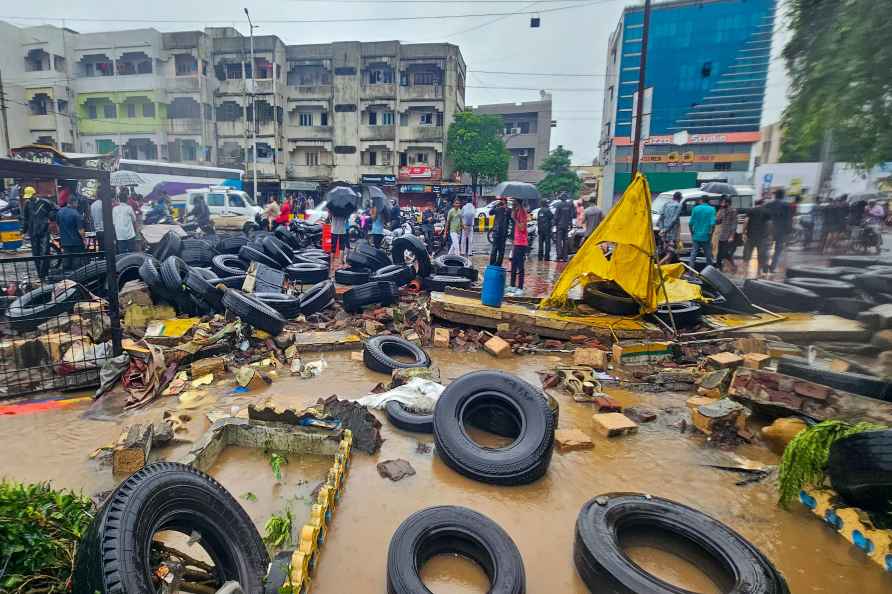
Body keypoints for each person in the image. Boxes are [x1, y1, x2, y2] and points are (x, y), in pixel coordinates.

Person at [22, 187, 57, 279]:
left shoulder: (45, 202)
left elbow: (55, 209)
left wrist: (50, 218)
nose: (29, 198)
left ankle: (44, 274)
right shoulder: (27, 204)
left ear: (35, 194)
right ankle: (40, 275)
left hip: (44, 231)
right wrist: (23, 231)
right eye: (28, 197)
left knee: (45, 252)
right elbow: (25, 219)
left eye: (31, 196)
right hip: (33, 233)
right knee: (36, 254)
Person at [764, 188, 792, 272]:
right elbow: (788, 219)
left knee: (767, 248)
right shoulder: (786, 205)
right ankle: (773, 267)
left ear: (775, 195)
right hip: (781, 230)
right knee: (778, 250)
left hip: (769, 229)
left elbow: (765, 218)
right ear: (783, 196)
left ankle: (765, 266)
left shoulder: (768, 205)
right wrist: (788, 231)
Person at [743, 199, 772, 276]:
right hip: (762, 237)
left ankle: (745, 273)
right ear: (762, 204)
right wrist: (768, 234)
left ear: (755, 204)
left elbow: (746, 221)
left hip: (750, 236)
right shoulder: (766, 211)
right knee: (761, 256)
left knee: (747, 256)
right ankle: (758, 273)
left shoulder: (750, 210)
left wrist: (744, 232)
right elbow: (769, 224)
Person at [57, 196, 85, 270]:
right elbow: (80, 230)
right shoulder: (76, 214)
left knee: (66, 262)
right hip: (76, 243)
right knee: (76, 264)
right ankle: (75, 279)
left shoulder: (59, 212)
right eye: (77, 203)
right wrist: (84, 239)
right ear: (74, 202)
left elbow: (58, 226)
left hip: (64, 242)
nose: (77, 205)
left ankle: (66, 279)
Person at [688, 196, 716, 268]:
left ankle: (690, 271)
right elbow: (712, 224)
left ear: (701, 200)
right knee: (708, 255)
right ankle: (709, 272)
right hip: (706, 236)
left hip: (696, 235)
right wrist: (711, 234)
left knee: (693, 254)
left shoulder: (695, 209)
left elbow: (690, 223)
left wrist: (692, 233)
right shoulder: (712, 209)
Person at [509, 200, 529, 295]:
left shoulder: (523, 212)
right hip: (516, 242)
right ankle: (512, 285)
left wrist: (515, 219)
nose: (512, 204)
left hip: (521, 243)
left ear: (518, 202)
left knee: (520, 266)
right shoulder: (517, 211)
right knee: (513, 264)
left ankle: (520, 287)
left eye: (514, 202)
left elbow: (522, 228)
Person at [657, 191, 683, 262]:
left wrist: (662, 229)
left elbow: (661, 216)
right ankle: (658, 265)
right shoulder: (678, 205)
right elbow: (674, 219)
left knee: (667, 250)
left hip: (664, 231)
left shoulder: (666, 204)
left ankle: (665, 268)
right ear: (680, 198)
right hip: (672, 231)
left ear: (673, 197)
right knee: (671, 253)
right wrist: (666, 229)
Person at [715, 196, 738, 272]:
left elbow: (734, 224)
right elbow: (717, 221)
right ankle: (719, 267)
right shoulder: (722, 210)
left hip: (728, 235)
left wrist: (732, 236)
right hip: (722, 234)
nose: (722, 203)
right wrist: (719, 212)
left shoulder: (733, 211)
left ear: (727, 203)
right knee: (720, 252)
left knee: (724, 252)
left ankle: (732, 266)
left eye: (723, 202)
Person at [489, 196, 509, 266]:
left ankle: (498, 264)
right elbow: (490, 212)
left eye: (503, 201)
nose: (502, 202)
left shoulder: (508, 210)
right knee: (494, 249)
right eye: (501, 201)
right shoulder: (497, 209)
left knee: (501, 251)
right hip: (497, 232)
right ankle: (492, 264)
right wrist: (495, 206)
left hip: (503, 233)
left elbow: (512, 218)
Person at [554, 193, 574, 261]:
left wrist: (555, 224)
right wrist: (570, 225)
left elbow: (556, 216)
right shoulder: (569, 205)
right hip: (566, 226)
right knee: (565, 241)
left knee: (558, 241)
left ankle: (559, 256)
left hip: (559, 226)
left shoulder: (559, 205)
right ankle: (565, 257)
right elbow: (571, 216)